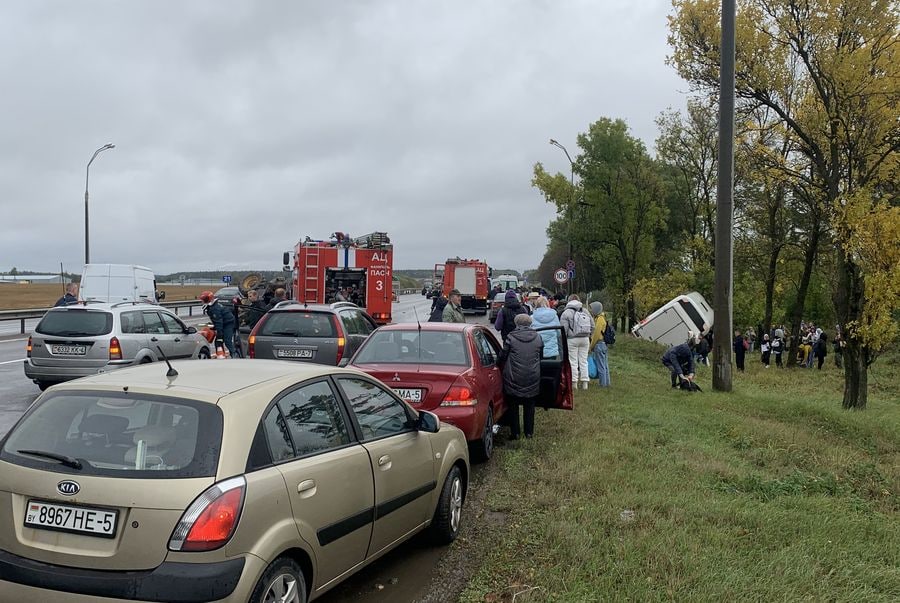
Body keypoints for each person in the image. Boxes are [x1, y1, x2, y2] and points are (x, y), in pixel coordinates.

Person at [498, 313, 543, 440]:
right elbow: (541, 357)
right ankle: (529, 433)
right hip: (532, 376)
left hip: (513, 377)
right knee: (530, 405)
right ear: (530, 324)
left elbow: (503, 356)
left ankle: (515, 433)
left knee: (513, 405)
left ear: (516, 323)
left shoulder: (511, 337)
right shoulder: (538, 337)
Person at [560, 294, 594, 390]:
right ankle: (585, 383)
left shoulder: (566, 312)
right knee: (583, 361)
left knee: (573, 361)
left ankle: (574, 383)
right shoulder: (585, 311)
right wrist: (589, 335)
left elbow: (564, 329)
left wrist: (564, 339)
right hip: (585, 338)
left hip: (572, 339)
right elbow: (593, 326)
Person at [199, 291, 237, 357]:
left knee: (227, 340)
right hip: (225, 323)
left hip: (228, 324)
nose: (202, 302)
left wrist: (219, 332)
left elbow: (219, 321)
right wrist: (216, 328)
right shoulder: (213, 306)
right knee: (218, 341)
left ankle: (234, 354)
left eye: (203, 300)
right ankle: (221, 355)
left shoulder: (214, 308)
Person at [588, 301, 611, 387]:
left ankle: (602, 384)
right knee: (605, 365)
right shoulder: (602, 317)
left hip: (599, 344)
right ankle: (607, 383)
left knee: (601, 365)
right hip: (603, 345)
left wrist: (591, 346)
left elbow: (596, 334)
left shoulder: (599, 319)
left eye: (592, 309)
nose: (591, 311)